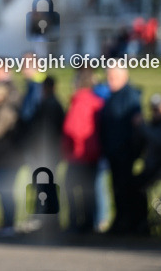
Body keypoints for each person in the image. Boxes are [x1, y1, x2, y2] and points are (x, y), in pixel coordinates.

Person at [98, 65, 145, 236]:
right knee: (116, 188)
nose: (110, 81)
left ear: (124, 76)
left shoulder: (130, 96)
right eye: (108, 77)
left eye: (113, 77)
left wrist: (131, 149)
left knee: (124, 189)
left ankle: (127, 223)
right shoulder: (112, 96)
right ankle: (120, 220)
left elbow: (134, 126)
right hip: (112, 150)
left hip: (124, 151)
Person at [62, 69, 103, 234]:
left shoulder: (80, 101)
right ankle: (89, 222)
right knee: (89, 190)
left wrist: (68, 148)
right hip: (93, 153)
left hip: (79, 155)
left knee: (71, 188)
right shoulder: (96, 101)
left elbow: (72, 129)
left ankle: (76, 222)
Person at [0, 62, 22, 235]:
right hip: (3, 155)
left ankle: (9, 224)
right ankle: (7, 223)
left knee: (6, 189)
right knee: (3, 190)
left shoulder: (7, 109)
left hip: (8, 155)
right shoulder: (5, 106)